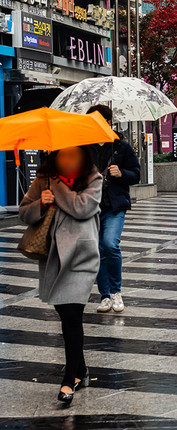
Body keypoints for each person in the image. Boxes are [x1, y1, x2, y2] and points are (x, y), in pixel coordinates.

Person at [19, 146, 102, 404]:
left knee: (71, 315)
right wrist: (39, 204)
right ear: (55, 156)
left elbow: (82, 208)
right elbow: (23, 212)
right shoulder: (43, 179)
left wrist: (56, 189)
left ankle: (69, 380)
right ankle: (82, 371)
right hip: (54, 257)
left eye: (74, 155)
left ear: (84, 157)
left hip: (80, 256)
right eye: (63, 155)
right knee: (65, 314)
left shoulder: (93, 179)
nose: (69, 160)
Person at [86, 105, 141, 314]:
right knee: (98, 251)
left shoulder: (122, 147)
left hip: (114, 205)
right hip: (90, 207)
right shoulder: (84, 148)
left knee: (110, 244)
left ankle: (116, 292)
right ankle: (105, 295)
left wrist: (122, 173)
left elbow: (136, 174)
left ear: (108, 122)